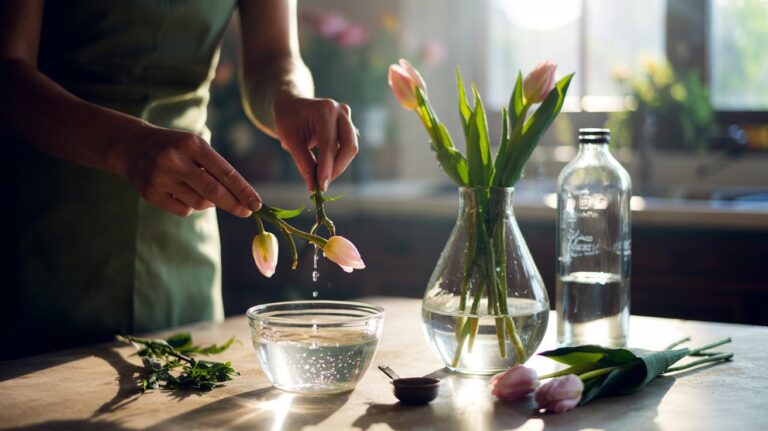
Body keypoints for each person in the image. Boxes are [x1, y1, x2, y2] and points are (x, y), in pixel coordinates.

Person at [0, 0, 358, 359]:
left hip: (186, 220)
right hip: (48, 225)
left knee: (186, 382)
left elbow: (274, 57)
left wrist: (291, 98)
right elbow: (8, 71)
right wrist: (126, 145)